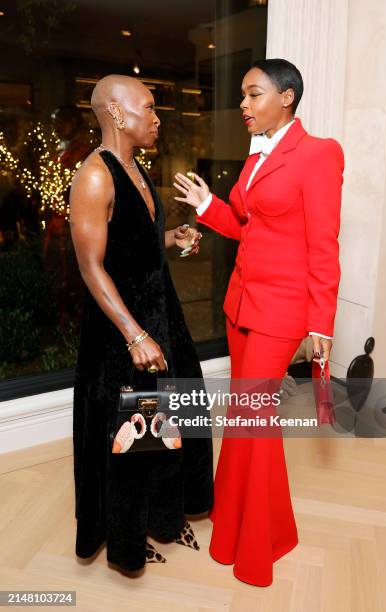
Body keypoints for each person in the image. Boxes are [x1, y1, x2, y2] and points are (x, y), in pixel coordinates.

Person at [174, 58, 344, 586]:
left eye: (253, 95)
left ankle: (254, 547)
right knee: (248, 424)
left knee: (253, 421)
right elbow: (246, 228)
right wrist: (208, 206)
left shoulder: (319, 154)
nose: (242, 106)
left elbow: (324, 244)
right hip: (241, 305)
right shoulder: (256, 158)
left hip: (283, 312)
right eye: (243, 96)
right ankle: (246, 528)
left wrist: (322, 324)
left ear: (287, 97)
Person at [69, 74, 213, 573]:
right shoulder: (95, 174)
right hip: (124, 327)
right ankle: (127, 539)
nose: (156, 118)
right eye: (148, 108)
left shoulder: (135, 167)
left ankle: (160, 515)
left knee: (170, 418)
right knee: (135, 430)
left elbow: (136, 244)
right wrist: (134, 334)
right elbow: (92, 267)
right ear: (115, 112)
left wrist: (174, 237)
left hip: (161, 312)